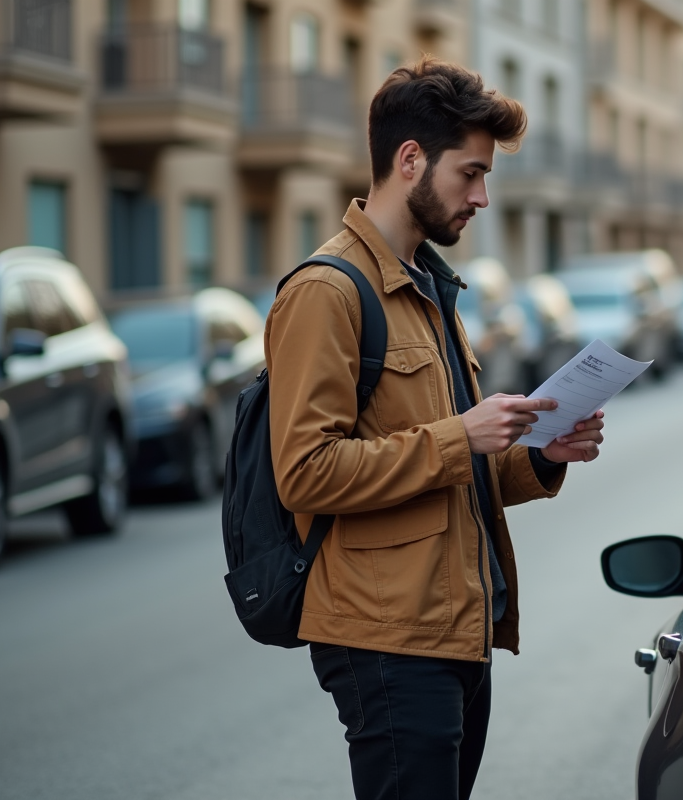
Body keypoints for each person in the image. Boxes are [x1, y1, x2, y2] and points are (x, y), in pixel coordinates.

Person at [263, 57, 607, 800]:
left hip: (455, 630)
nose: (481, 197)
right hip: (386, 642)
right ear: (410, 159)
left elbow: (452, 471)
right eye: (470, 174)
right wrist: (462, 436)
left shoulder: (427, 288)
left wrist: (540, 456)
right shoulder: (327, 292)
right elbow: (305, 471)